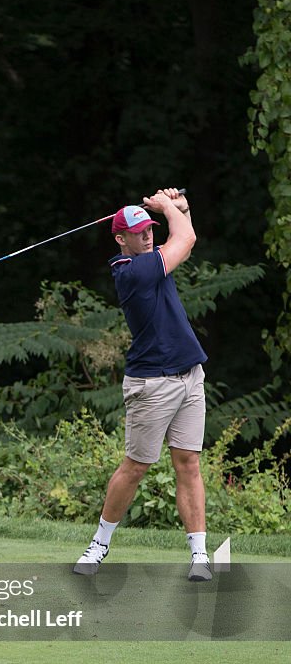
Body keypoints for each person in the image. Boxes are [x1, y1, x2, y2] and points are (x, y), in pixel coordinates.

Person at [74, 187, 212, 581]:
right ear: (121, 239)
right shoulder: (132, 271)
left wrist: (178, 208)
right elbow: (185, 239)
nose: (147, 235)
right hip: (152, 384)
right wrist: (169, 207)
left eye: (149, 228)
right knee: (136, 467)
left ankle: (199, 556)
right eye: (138, 231)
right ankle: (99, 544)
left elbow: (178, 234)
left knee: (188, 463)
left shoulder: (152, 259)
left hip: (190, 375)